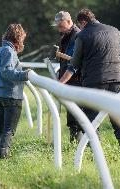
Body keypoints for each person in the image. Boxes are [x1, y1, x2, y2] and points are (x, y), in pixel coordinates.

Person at [65, 9, 120, 146]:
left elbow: (75, 62)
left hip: (94, 81)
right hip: (116, 79)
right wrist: (119, 67)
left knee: (92, 114)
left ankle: (95, 147)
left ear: (83, 22)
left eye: (80, 25)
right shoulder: (114, 30)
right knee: (117, 112)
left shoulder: (82, 35)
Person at [0, 24, 31, 158]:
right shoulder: (9, 51)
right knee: (8, 130)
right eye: (22, 39)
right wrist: (23, 75)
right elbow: (6, 71)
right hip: (10, 96)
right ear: (18, 38)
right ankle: (2, 159)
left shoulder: (0, 49)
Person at [52, 11, 83, 142]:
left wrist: (61, 81)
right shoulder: (66, 34)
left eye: (61, 25)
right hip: (69, 79)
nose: (59, 28)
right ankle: (74, 143)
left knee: (77, 112)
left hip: (76, 79)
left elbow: (73, 61)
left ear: (69, 21)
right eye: (57, 26)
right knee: (71, 112)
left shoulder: (76, 35)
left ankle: (80, 142)